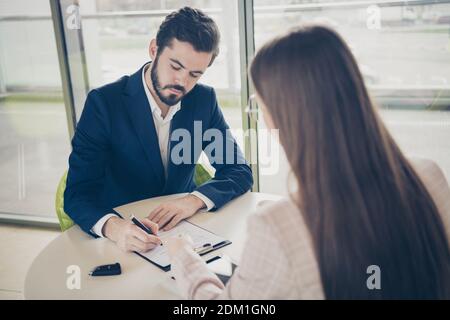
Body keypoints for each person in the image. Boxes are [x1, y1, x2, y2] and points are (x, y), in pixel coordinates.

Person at [166, 25, 450, 299]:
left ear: (280, 115)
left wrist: (183, 255)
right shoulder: (429, 175)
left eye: (258, 105)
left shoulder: (277, 227)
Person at [64, 7, 253, 253]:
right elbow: (78, 193)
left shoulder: (203, 100)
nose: (182, 82)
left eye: (195, 74)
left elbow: (238, 170)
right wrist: (113, 227)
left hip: (183, 234)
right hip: (122, 239)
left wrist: (193, 200)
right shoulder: (104, 103)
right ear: (154, 50)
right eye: (175, 66)